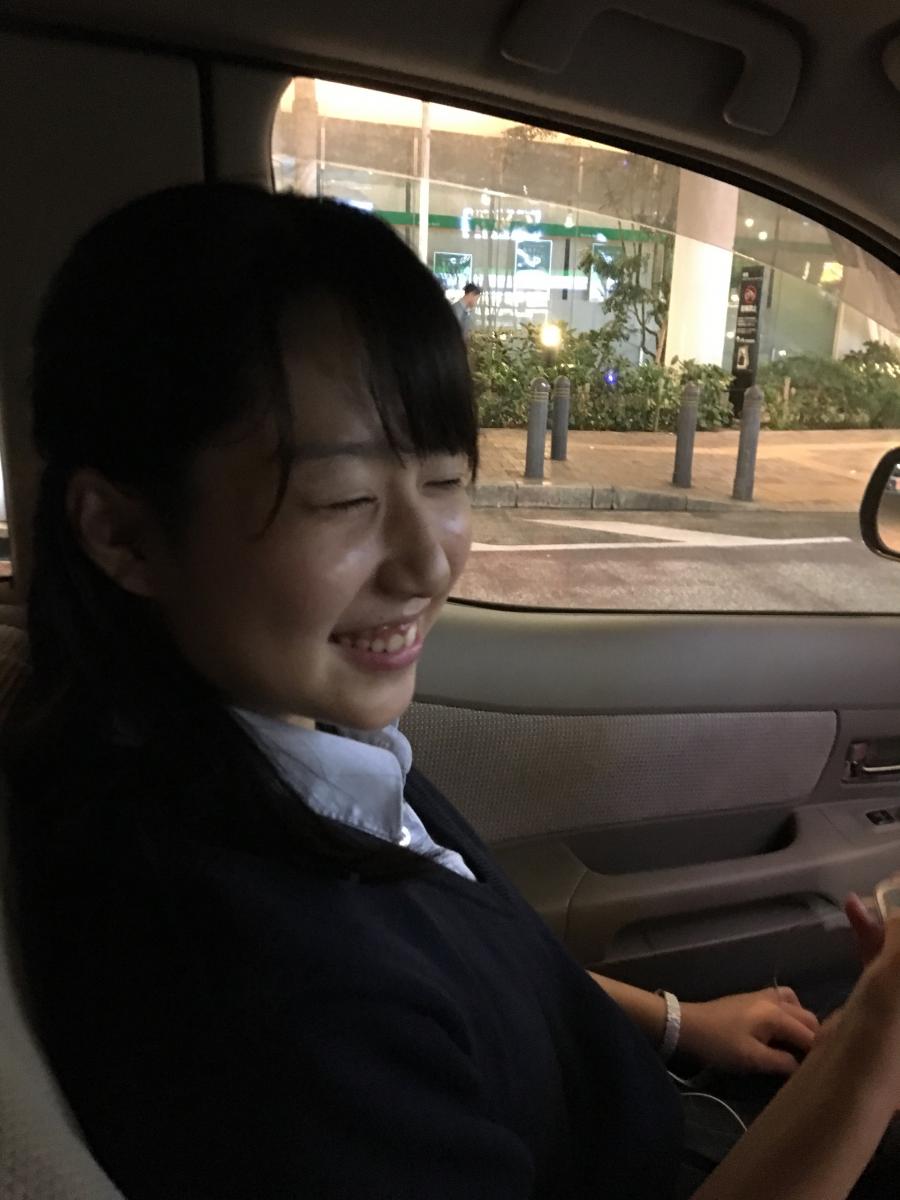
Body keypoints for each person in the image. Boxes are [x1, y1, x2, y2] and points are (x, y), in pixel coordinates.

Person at [5, 183, 900, 1200]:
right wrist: (876, 1039)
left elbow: (469, 964)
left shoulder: (276, 751)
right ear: (123, 533)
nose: (431, 563)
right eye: (344, 500)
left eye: (445, 481)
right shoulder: (265, 997)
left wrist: (678, 1022)